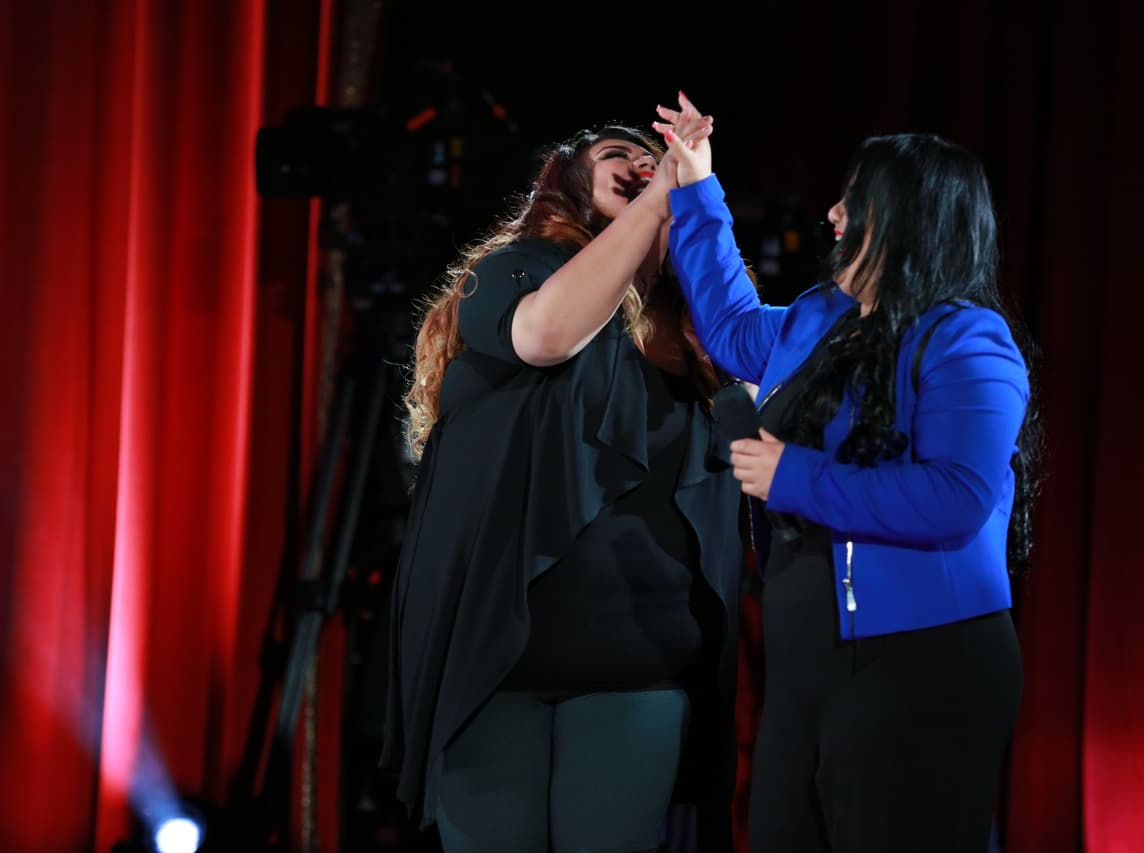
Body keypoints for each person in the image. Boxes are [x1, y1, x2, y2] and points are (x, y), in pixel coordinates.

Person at [653, 96, 1039, 852]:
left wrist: (793, 475)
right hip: (809, 660)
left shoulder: (970, 339)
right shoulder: (819, 316)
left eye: (853, 200)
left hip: (923, 660)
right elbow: (732, 330)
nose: (833, 214)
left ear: (909, 218)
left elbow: (956, 495)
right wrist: (698, 187)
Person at [380, 123, 747, 853]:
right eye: (620, 156)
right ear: (570, 185)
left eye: (655, 157)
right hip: (497, 666)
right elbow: (547, 335)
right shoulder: (512, 273)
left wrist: (701, 210)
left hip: (637, 670)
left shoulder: (706, 332)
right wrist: (655, 203)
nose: (646, 164)